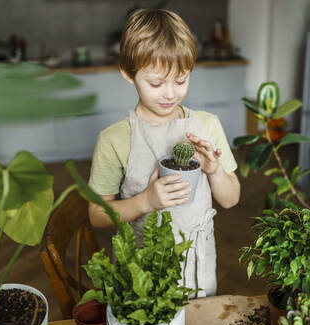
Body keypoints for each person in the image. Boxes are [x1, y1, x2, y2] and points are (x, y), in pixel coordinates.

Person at [88, 8, 240, 298]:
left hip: (198, 269)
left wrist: (214, 170)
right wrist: (146, 200)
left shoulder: (208, 125)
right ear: (128, 73)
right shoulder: (114, 140)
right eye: (156, 83)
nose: (170, 93)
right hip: (141, 270)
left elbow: (231, 200)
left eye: (181, 80)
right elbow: (97, 215)